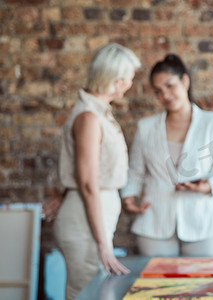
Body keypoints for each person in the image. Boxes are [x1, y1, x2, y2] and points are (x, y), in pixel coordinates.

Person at [121, 54, 213, 257]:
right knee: (157, 287)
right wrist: (128, 198)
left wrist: (207, 186)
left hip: (202, 222)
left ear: (185, 80)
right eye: (158, 91)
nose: (165, 95)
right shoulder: (145, 127)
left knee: (206, 286)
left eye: (170, 85)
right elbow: (136, 171)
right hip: (154, 223)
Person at [53, 42, 141, 299]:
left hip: (89, 216)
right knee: (84, 292)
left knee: (91, 291)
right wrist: (104, 246)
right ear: (117, 80)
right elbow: (88, 183)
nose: (130, 85)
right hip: (84, 221)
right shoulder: (89, 117)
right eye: (130, 79)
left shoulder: (97, 113)